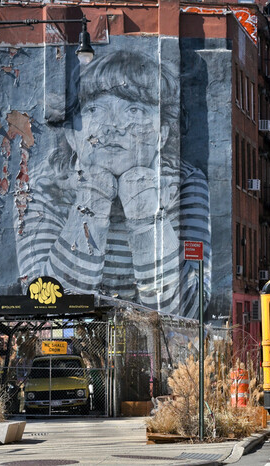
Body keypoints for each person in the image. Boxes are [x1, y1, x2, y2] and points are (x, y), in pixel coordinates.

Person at [14, 50, 211, 318]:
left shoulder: (185, 182)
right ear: (72, 134)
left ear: (161, 134)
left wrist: (145, 215)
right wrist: (92, 198)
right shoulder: (40, 185)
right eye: (94, 109)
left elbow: (187, 312)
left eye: (134, 109)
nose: (112, 126)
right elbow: (46, 305)